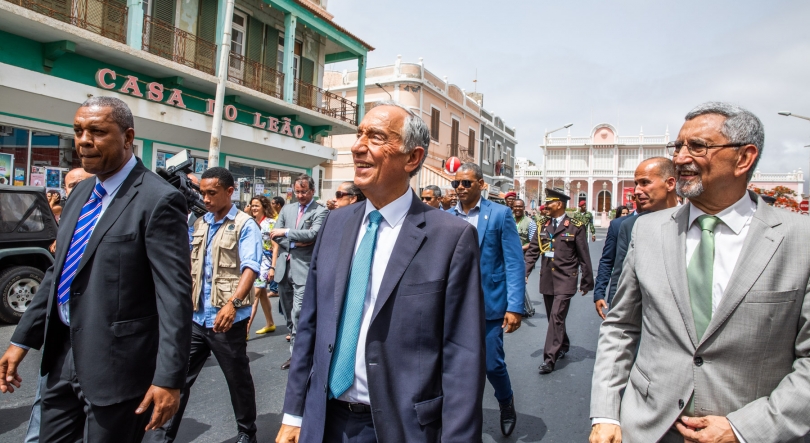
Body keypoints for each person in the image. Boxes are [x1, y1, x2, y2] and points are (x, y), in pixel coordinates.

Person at [590, 102, 810, 443]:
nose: (679, 159)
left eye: (697, 147)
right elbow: (620, 328)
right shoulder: (648, 231)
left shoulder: (800, 240)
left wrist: (745, 428)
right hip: (648, 428)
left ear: (744, 158)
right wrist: (606, 413)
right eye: (678, 147)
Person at [276, 101, 485, 443]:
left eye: (375, 137)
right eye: (359, 134)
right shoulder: (335, 223)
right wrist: (294, 412)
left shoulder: (451, 237)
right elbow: (310, 327)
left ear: (412, 158)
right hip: (324, 420)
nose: (358, 146)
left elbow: (462, 354)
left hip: (400, 428)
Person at [0, 97, 192, 441]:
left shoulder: (158, 199)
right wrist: (21, 340)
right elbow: (58, 274)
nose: (84, 140)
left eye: (97, 132)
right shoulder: (81, 192)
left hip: (118, 368)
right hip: (62, 358)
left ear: (128, 136)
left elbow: (174, 298)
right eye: (78, 131)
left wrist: (168, 377)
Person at [147, 167, 262, 443]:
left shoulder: (245, 225)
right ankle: (162, 437)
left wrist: (233, 305)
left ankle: (247, 431)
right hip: (197, 319)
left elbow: (251, 268)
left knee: (238, 380)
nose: (206, 199)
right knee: (178, 378)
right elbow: (189, 264)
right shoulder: (199, 223)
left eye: (212, 193)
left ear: (229, 192)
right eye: (203, 193)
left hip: (226, 321)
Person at [451, 162, 524, 436]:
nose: (460, 187)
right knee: (455, 365)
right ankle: (463, 419)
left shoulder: (500, 215)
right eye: (456, 183)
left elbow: (514, 263)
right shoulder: (446, 216)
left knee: (492, 364)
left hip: (489, 304)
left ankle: (506, 402)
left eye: (466, 182)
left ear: (481, 184)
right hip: (454, 306)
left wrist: (515, 306)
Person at [593, 158, 676, 320]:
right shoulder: (626, 225)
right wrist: (604, 296)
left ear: (670, 183)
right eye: (636, 184)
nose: (637, 191)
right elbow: (617, 268)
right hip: (637, 312)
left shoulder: (693, 221)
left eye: (644, 183)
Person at [524, 188, 593, 375]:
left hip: (566, 279)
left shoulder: (575, 225)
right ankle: (563, 343)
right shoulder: (542, 225)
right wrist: (524, 272)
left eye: (549, 202)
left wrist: (587, 281)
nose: (545, 205)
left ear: (560, 204)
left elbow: (583, 255)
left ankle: (549, 358)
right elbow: (532, 251)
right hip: (547, 279)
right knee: (553, 318)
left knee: (556, 317)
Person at [268, 174, 327, 370]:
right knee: (287, 315)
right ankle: (296, 348)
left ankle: (298, 356)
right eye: (297, 191)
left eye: (304, 192)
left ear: (313, 191)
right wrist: (295, 242)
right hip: (284, 270)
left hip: (303, 268)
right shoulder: (287, 209)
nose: (300, 195)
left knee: (299, 312)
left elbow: (313, 234)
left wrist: (286, 233)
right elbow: (274, 235)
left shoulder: (320, 211)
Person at [246, 195, 277, 339]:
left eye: (257, 205)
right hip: (253, 260)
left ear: (264, 207)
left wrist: (273, 267)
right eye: (252, 205)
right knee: (262, 293)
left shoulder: (271, 223)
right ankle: (270, 322)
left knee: (254, 295)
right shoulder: (249, 222)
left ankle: (244, 330)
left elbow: (275, 247)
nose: (254, 208)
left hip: (265, 262)